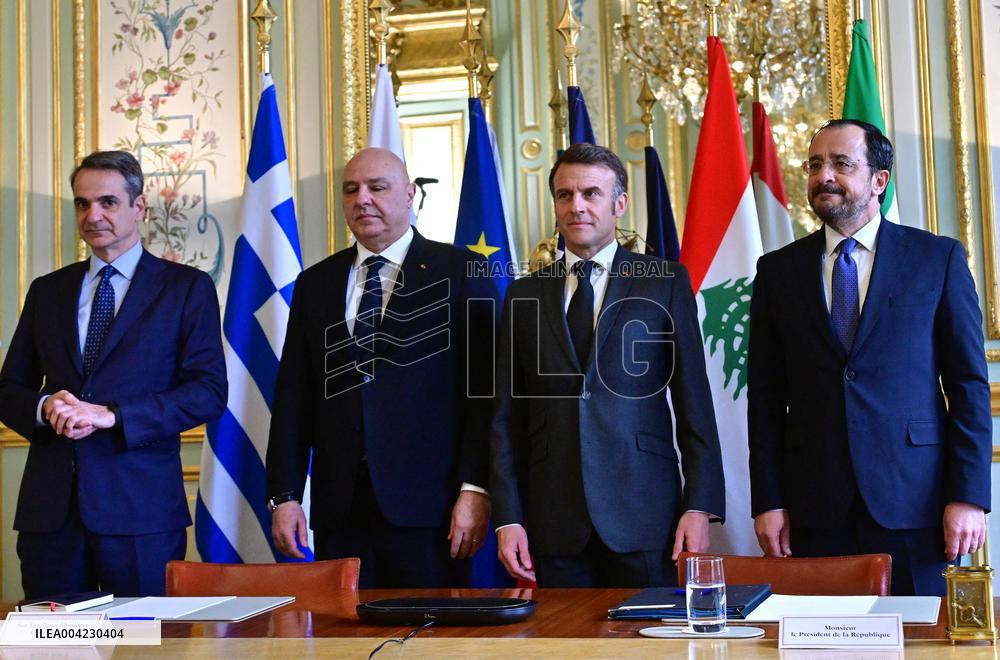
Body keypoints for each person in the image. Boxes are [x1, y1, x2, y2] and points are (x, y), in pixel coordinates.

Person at [748, 119, 992, 596]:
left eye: (842, 163)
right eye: (815, 164)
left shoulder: (936, 259)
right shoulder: (777, 271)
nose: (825, 176)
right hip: (814, 506)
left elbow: (968, 387)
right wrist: (769, 499)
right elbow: (765, 397)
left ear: (879, 180)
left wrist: (967, 496)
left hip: (916, 502)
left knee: (922, 643)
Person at [490, 143, 726, 587]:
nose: (576, 206)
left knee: (647, 649)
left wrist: (699, 505)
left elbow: (695, 402)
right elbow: (504, 419)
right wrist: (507, 519)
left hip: (645, 513)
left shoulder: (665, 282)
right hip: (553, 520)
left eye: (590, 194)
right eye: (565, 195)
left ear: (619, 204)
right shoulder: (523, 296)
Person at [266, 147, 499, 587]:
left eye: (377, 187)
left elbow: (484, 394)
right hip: (341, 511)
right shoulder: (315, 283)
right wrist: (285, 495)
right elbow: (294, 397)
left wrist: (475, 489)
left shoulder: (462, 270)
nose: (362, 199)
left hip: (432, 510)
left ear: (410, 194)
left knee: (430, 647)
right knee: (346, 648)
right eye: (351, 189)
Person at [0, 150, 227, 598]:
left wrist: (114, 414)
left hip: (141, 514)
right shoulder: (48, 291)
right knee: (56, 647)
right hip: (52, 517)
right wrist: (45, 407)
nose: (93, 215)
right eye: (82, 204)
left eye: (107, 202)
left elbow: (208, 392)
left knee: (142, 645)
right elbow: (8, 390)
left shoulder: (186, 288)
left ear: (138, 207)